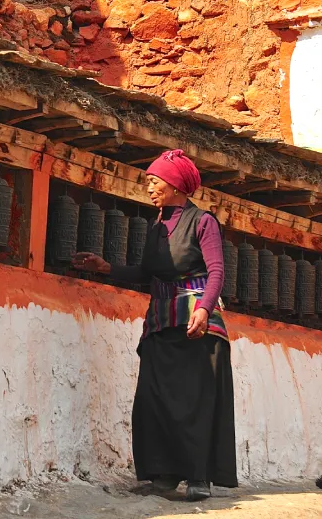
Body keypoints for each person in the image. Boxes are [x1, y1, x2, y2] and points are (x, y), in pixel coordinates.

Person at [72, 149, 237, 502]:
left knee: (195, 401)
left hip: (196, 322)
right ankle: (163, 476)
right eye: (148, 181)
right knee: (154, 397)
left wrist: (204, 309)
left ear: (176, 185)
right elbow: (147, 274)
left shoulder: (203, 222)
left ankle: (199, 477)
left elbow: (217, 272)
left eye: (154, 181)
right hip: (162, 320)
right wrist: (106, 268)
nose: (148, 187)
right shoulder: (156, 226)